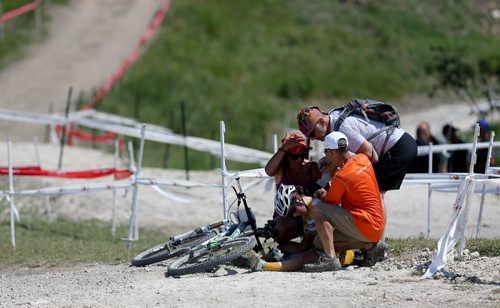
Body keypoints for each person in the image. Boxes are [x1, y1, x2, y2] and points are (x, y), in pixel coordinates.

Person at [251, 132, 385, 272]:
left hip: (362, 222)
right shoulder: (362, 158)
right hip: (374, 226)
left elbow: (328, 202)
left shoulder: (340, 176)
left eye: (326, 153)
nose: (325, 157)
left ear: (332, 152)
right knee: (317, 243)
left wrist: (328, 178)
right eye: (295, 156)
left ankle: (330, 259)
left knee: (317, 213)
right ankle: (371, 246)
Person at [297, 105, 416, 196]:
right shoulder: (333, 116)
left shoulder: (343, 128)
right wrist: (331, 161)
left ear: (322, 122)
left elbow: (371, 157)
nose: (314, 139)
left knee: (376, 197)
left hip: (398, 147)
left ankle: (376, 228)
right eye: (310, 137)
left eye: (312, 133)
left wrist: (336, 162)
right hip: (396, 144)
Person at [264, 132, 322, 244]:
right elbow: (268, 171)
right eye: (295, 156)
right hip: (287, 218)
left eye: (303, 154)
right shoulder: (280, 169)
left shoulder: (312, 167)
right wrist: (284, 148)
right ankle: (288, 250)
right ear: (286, 156)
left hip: (310, 216)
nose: (300, 159)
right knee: (277, 230)